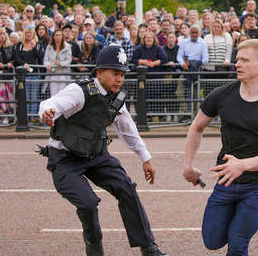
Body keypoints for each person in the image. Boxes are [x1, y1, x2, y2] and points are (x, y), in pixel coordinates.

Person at [38, 44, 168, 256]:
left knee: (126, 188)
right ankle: (94, 249)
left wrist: (146, 158)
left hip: (97, 156)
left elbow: (128, 131)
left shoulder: (117, 100)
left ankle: (148, 247)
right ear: (99, 73)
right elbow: (51, 103)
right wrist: (47, 113)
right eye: (115, 73)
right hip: (64, 160)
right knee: (88, 203)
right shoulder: (79, 92)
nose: (120, 79)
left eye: (123, 74)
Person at [183, 39, 258, 256]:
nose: (237, 64)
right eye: (237, 59)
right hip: (226, 180)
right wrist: (188, 166)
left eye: (244, 60)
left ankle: (256, 213)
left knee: (237, 242)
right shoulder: (222, 94)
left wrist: (242, 165)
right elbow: (196, 127)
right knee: (212, 241)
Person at [42, 29, 72, 97]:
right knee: (53, 94)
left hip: (63, 73)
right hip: (52, 73)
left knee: (62, 94)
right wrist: (47, 65)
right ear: (53, 37)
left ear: (62, 36)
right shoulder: (49, 47)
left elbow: (69, 60)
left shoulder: (67, 46)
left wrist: (60, 63)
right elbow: (45, 59)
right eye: (56, 35)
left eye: (60, 35)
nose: (58, 36)